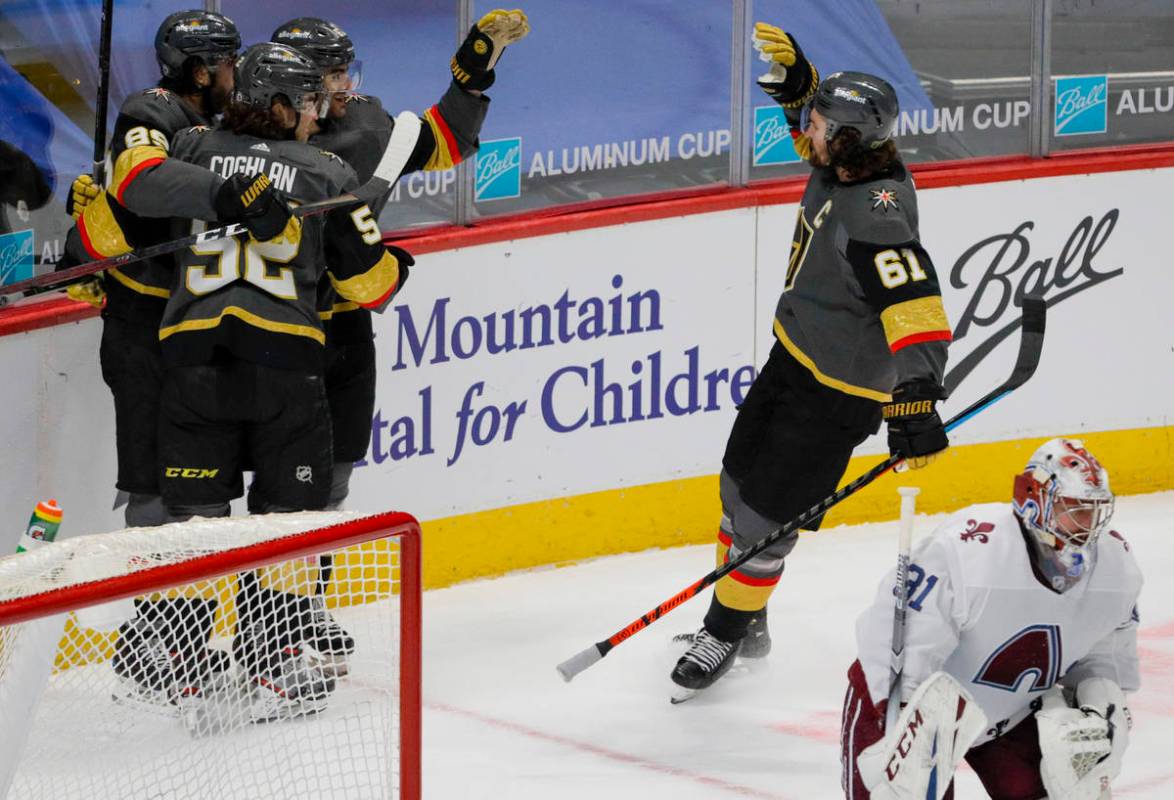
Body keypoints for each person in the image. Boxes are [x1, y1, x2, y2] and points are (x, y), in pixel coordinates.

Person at [671, 22, 953, 700]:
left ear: (852, 141)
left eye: (822, 124)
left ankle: (725, 630)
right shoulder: (848, 162)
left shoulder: (878, 216)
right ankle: (748, 618)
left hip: (837, 394)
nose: (810, 133)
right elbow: (813, 135)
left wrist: (915, 398)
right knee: (738, 489)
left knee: (765, 521)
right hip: (792, 360)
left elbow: (917, 306)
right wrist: (801, 87)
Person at [269, 11, 526, 676]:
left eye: (343, 71)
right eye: (332, 73)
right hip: (265, 326)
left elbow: (442, 142)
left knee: (331, 478)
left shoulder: (364, 121)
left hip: (344, 319)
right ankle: (258, 629)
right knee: (273, 489)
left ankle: (296, 614)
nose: (344, 85)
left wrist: (474, 73)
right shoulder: (247, 133)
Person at [842, 438, 1140, 799]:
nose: (1087, 525)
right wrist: (905, 722)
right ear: (1034, 499)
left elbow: (1101, 658)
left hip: (1013, 711)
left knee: (1071, 788)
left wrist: (1098, 706)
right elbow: (899, 638)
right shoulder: (971, 549)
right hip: (914, 702)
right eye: (1074, 509)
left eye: (1094, 510)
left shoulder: (1116, 568)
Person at [61, 10, 241, 529]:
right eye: (227, 62)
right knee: (152, 482)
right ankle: (158, 608)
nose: (236, 71)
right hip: (144, 321)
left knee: (206, 476)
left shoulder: (229, 116)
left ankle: (198, 598)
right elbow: (145, 177)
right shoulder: (150, 111)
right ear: (199, 72)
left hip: (202, 316)